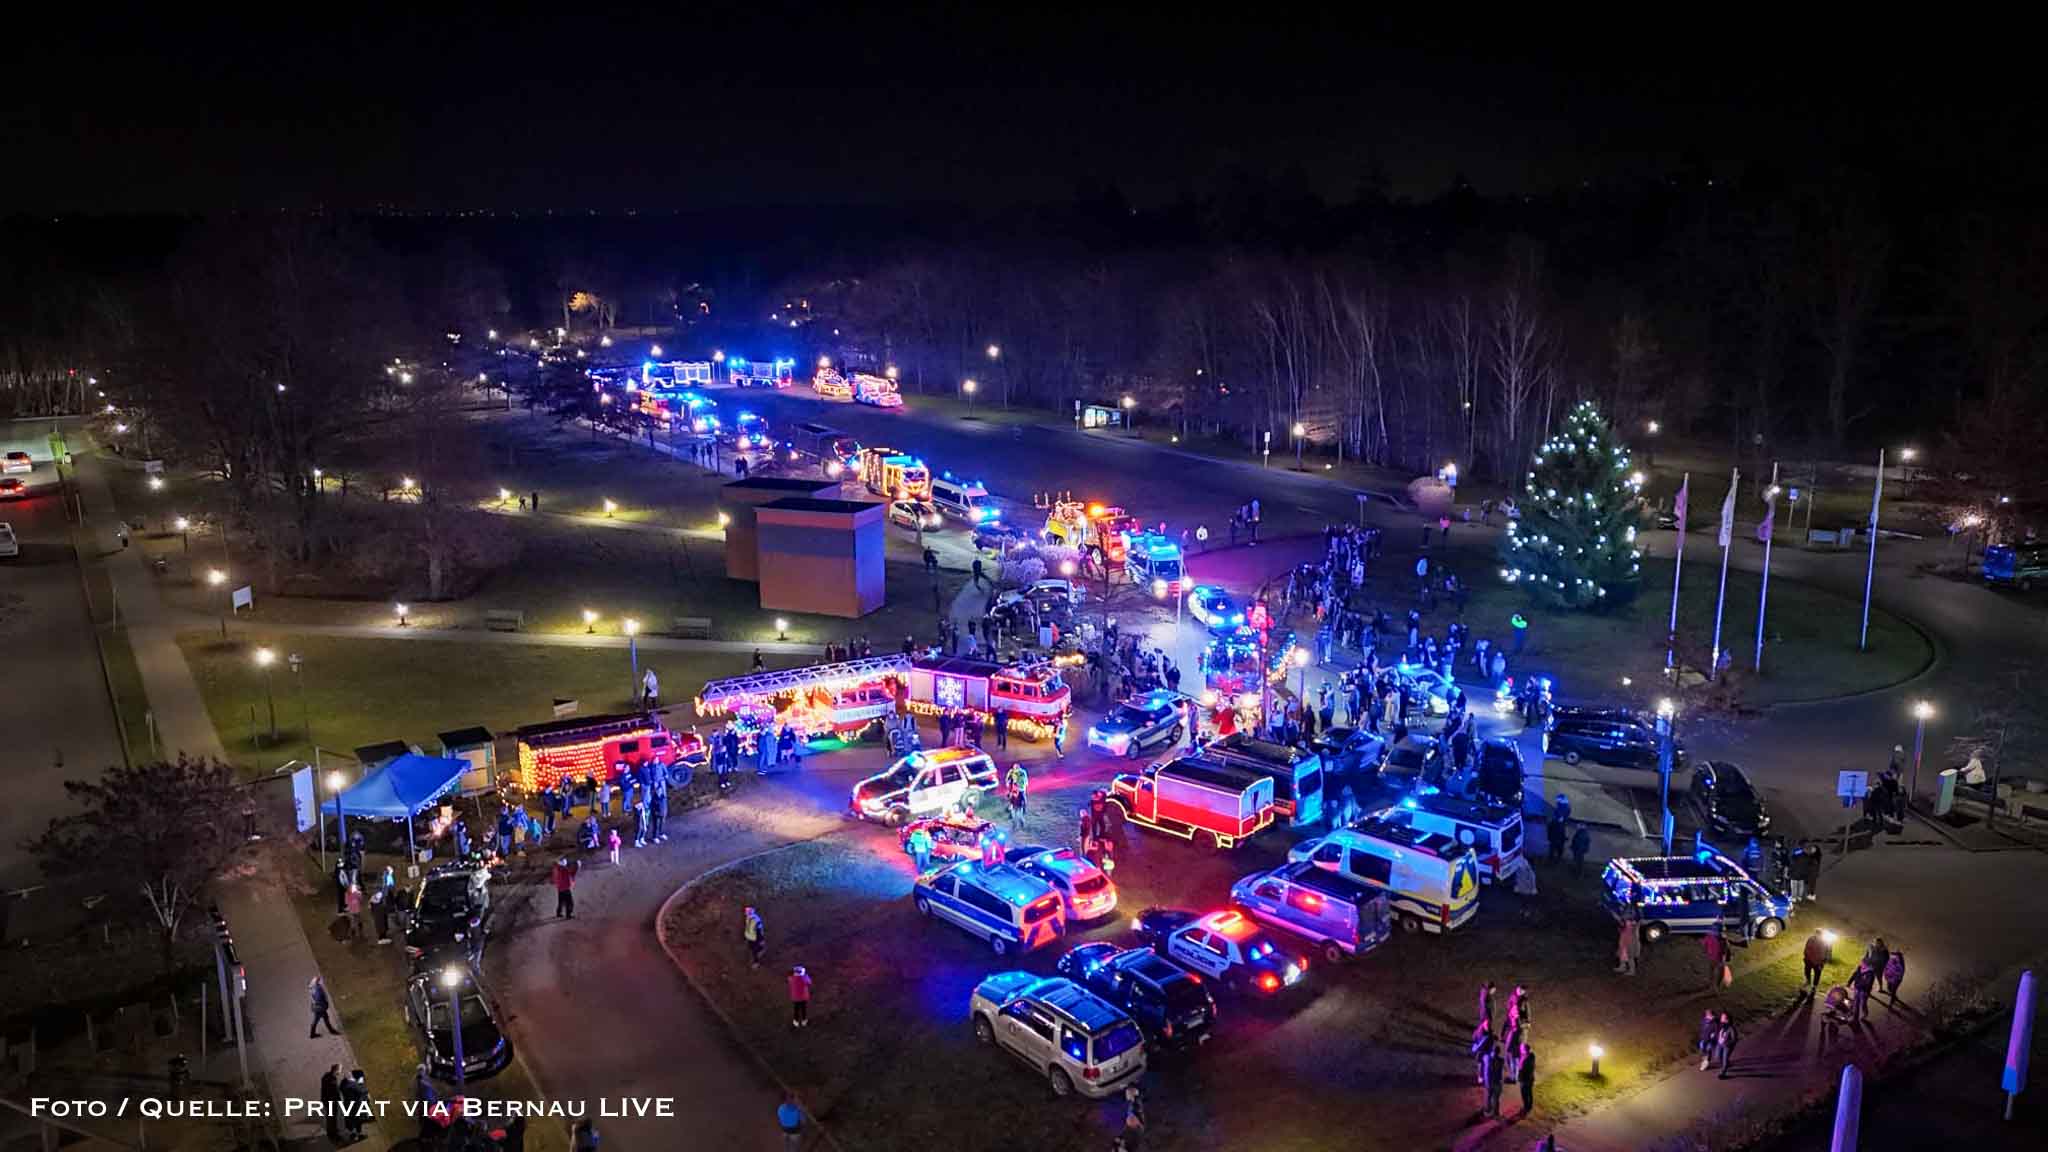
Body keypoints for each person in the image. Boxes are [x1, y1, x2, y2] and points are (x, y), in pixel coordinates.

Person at [341, 1070, 369, 1141]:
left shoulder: (344, 1083)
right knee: (358, 1121)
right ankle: (357, 1135)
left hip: (348, 1105)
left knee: (351, 1120)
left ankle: (353, 1134)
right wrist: (361, 1083)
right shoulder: (354, 1084)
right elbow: (363, 1091)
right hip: (355, 1106)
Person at [320, 1063, 343, 1143]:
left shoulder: (326, 1076)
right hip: (331, 1102)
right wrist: (339, 1100)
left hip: (327, 1101)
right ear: (336, 1070)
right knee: (332, 1118)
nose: (340, 1071)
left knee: (330, 1118)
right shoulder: (332, 1080)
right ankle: (334, 1134)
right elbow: (335, 1092)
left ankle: (331, 1132)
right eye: (340, 1069)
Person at [1802, 928, 1831, 993]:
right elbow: (1806, 948)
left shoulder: (1826, 942)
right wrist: (1805, 957)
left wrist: (1824, 962)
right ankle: (1808, 981)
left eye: (1819, 934)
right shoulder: (1811, 939)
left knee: (1817, 975)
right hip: (1809, 960)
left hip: (1819, 963)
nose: (1817, 935)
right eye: (1816, 933)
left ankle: (1814, 986)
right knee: (1807, 971)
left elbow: (1828, 952)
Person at [1482, 1039, 1504, 1117]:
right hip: (1498, 1082)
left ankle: (1488, 1110)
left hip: (1490, 1081)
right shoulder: (1501, 1060)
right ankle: (1496, 1112)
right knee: (1496, 1099)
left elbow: (1486, 1070)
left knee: (1489, 1097)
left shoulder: (1488, 1059)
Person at [1714, 1013, 1738, 1078]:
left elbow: (1734, 1039)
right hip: (1719, 1044)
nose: (1721, 1018)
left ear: (1727, 1020)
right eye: (1721, 1017)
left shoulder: (1731, 1028)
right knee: (1718, 1056)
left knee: (1725, 1058)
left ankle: (1723, 1073)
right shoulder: (1721, 1025)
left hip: (1727, 1046)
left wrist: (1727, 1043)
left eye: (1723, 1017)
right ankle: (1726, 1064)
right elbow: (1715, 1024)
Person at [1614, 910, 1639, 976]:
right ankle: (1622, 967)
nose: (1624, 915)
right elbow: (1621, 929)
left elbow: (1632, 930)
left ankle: (1632, 970)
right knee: (1622, 954)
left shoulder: (1633, 923)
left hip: (1630, 942)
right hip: (1623, 941)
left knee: (1630, 957)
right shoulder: (1625, 922)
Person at [789, 965, 812, 1029]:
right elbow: (809, 982)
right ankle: (804, 1021)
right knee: (803, 1009)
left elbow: (790, 981)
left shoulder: (791, 978)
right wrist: (805, 976)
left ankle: (796, 1022)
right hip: (803, 997)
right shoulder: (804, 978)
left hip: (795, 998)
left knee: (796, 1010)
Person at [1516, 1042, 1536, 1116]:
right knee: (1529, 1092)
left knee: (1524, 1094)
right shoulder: (1532, 1056)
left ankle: (1526, 1107)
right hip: (1530, 1078)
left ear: (1524, 1050)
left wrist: (1519, 1079)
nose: (1520, 1050)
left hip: (1524, 1080)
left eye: (1521, 1049)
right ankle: (1529, 1106)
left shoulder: (1524, 1060)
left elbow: (1521, 1069)